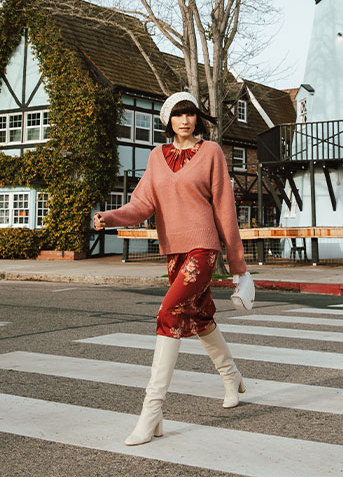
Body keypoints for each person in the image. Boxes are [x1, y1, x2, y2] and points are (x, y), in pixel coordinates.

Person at [93, 91, 248, 446]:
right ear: (168, 121)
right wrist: (110, 216)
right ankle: (232, 377)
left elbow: (225, 208)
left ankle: (152, 412)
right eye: (178, 115)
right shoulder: (156, 157)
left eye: (190, 114)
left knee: (169, 311)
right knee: (200, 315)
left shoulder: (211, 153)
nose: (185, 120)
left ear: (197, 118)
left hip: (203, 247)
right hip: (174, 251)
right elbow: (141, 204)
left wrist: (238, 266)